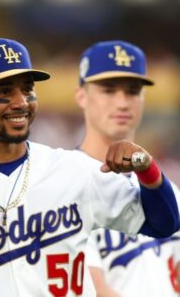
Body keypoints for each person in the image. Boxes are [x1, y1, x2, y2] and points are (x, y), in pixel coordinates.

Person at [0, 38, 180, 297]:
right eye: (5, 91)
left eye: (27, 89)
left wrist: (146, 167)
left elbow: (163, 222)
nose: (20, 102)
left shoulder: (72, 169)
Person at [75, 40, 180, 296]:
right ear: (81, 96)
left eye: (133, 91)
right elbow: (94, 290)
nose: (122, 103)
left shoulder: (169, 190)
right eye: (108, 91)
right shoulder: (69, 183)